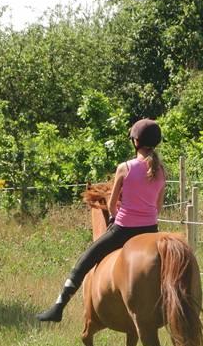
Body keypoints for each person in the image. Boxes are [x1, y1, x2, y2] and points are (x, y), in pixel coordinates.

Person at [36, 118, 166, 322]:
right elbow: (157, 207)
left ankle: (58, 306)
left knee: (85, 259)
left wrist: (115, 217)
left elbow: (113, 203)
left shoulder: (125, 168)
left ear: (136, 141)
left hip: (124, 230)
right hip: (151, 230)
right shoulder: (161, 171)